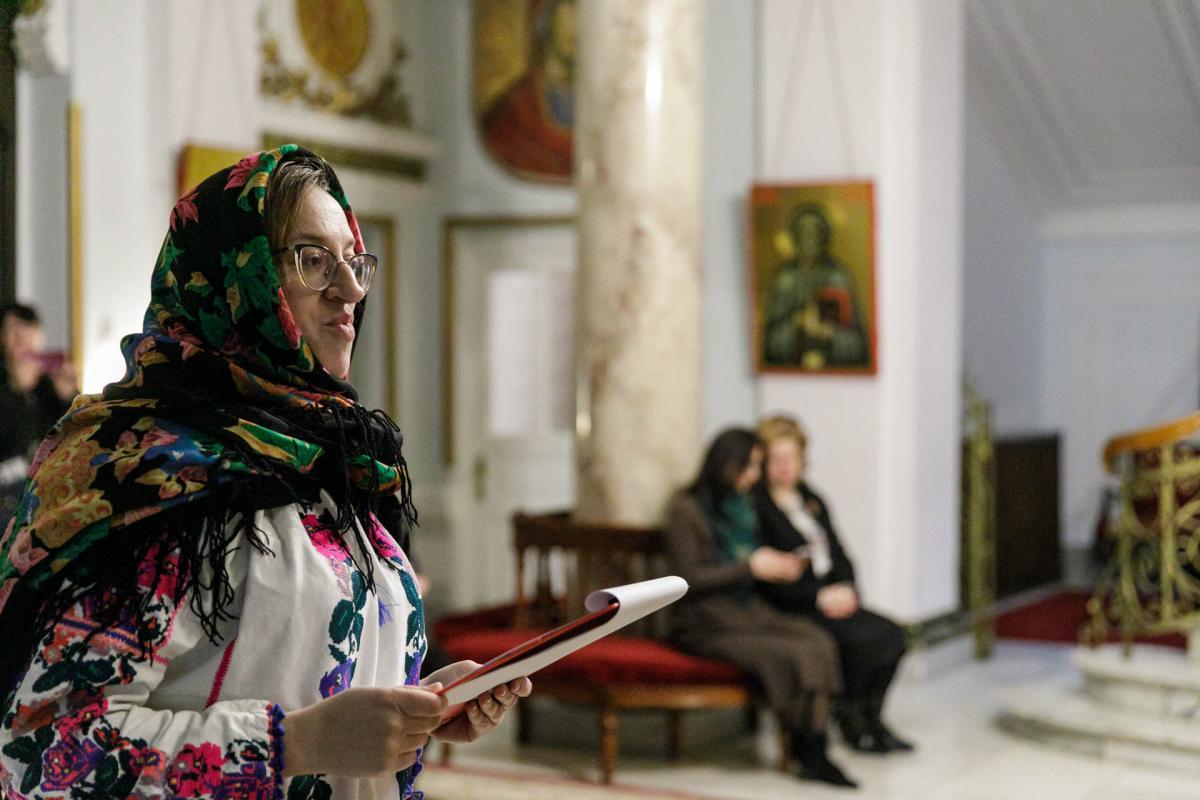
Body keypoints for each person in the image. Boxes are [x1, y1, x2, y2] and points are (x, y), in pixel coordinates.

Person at [0, 146, 530, 799]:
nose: (351, 290)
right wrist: (296, 743)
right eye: (312, 260)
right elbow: (44, 750)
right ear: (236, 277)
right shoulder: (150, 476)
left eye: (353, 260)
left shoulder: (329, 460)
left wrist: (415, 705)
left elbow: (299, 671)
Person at [663, 428, 857, 789]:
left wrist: (779, 566)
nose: (755, 475)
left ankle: (814, 744)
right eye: (750, 466)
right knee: (793, 653)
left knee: (817, 640)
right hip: (705, 622)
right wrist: (750, 567)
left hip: (745, 611)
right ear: (727, 465)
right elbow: (686, 578)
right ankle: (806, 747)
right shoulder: (686, 510)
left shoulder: (742, 506)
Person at [752, 415, 912, 754]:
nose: (785, 466)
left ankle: (871, 718)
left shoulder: (811, 500)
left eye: (792, 458)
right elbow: (770, 578)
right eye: (777, 459)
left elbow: (838, 554)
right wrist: (819, 597)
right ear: (763, 461)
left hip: (831, 597)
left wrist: (848, 589)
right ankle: (851, 719)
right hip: (795, 604)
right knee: (863, 641)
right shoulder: (758, 507)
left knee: (894, 635)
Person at [762, 203, 868, 370]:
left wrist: (829, 333)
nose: (809, 238)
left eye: (816, 231)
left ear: (825, 237)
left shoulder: (838, 277)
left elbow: (858, 346)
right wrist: (797, 323)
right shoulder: (785, 279)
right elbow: (769, 345)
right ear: (794, 237)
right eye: (803, 231)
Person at [0, 304, 78, 525]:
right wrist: (19, 392)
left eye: (28, 330)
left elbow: (75, 438)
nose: (22, 340)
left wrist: (68, 397)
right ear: (3, 339)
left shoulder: (51, 384)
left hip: (48, 495)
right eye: (14, 332)